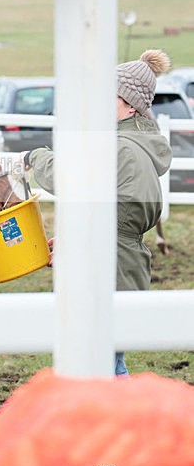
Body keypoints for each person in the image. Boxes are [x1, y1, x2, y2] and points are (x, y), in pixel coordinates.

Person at [19, 50, 173, 376]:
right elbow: (113, 211)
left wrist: (36, 156)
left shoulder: (119, 147)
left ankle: (126, 409)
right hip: (121, 265)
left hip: (109, 269)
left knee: (101, 365)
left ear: (131, 106)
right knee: (105, 360)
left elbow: (69, 177)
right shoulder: (133, 146)